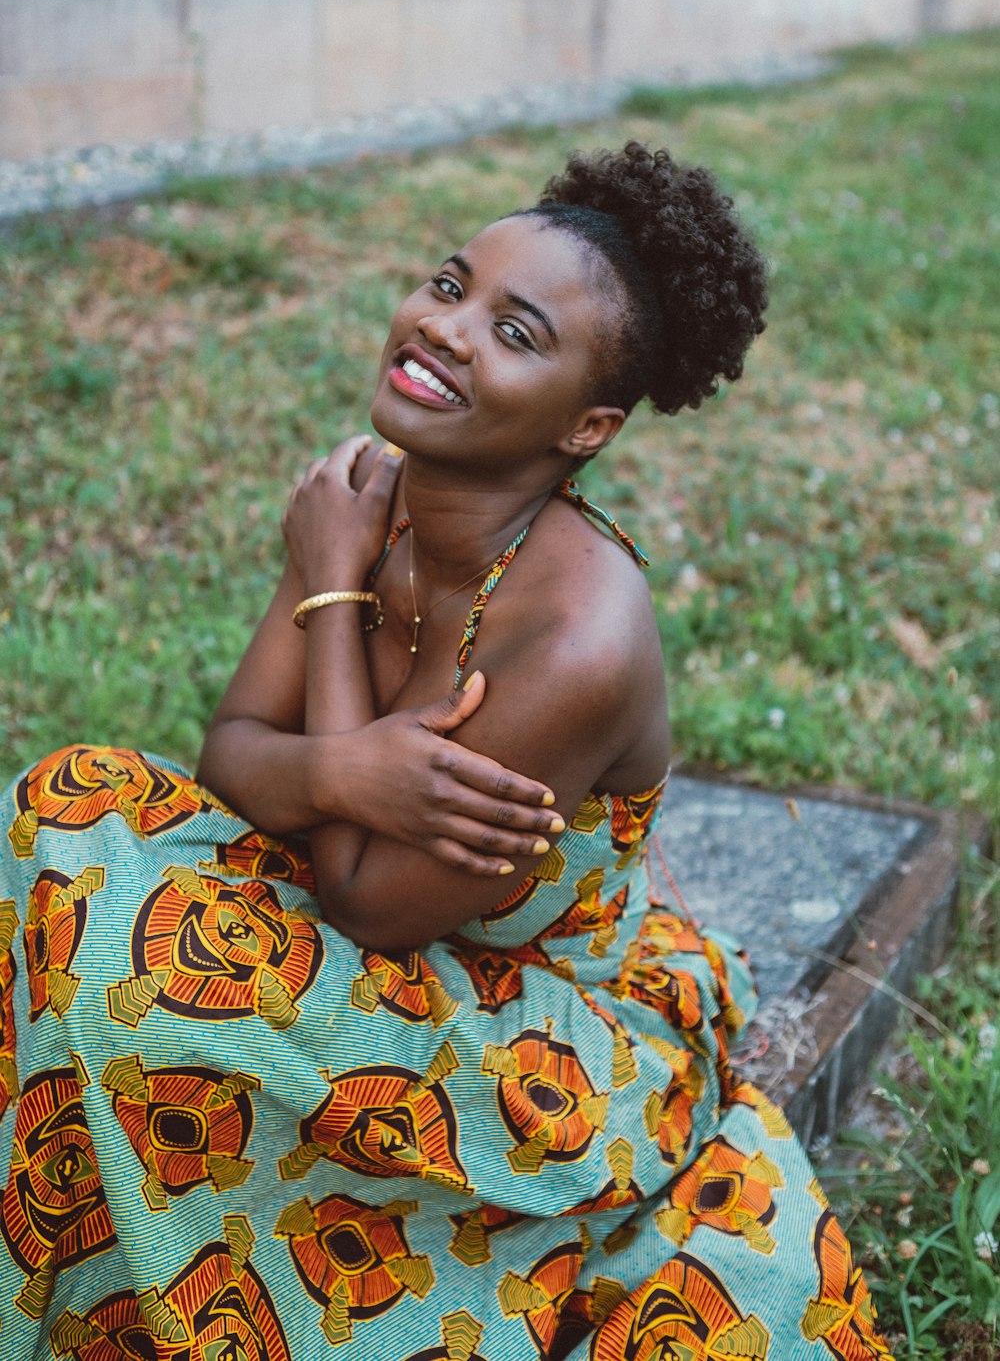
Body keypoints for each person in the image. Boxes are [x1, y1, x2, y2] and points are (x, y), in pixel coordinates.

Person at [0, 143, 893, 1359]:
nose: (444, 328)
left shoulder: (578, 637)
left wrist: (326, 605)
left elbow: (370, 902)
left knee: (148, 974)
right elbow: (235, 758)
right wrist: (340, 760)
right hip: (352, 931)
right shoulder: (365, 501)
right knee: (61, 800)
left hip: (521, 1039)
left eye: (515, 332)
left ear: (588, 425)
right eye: (446, 283)